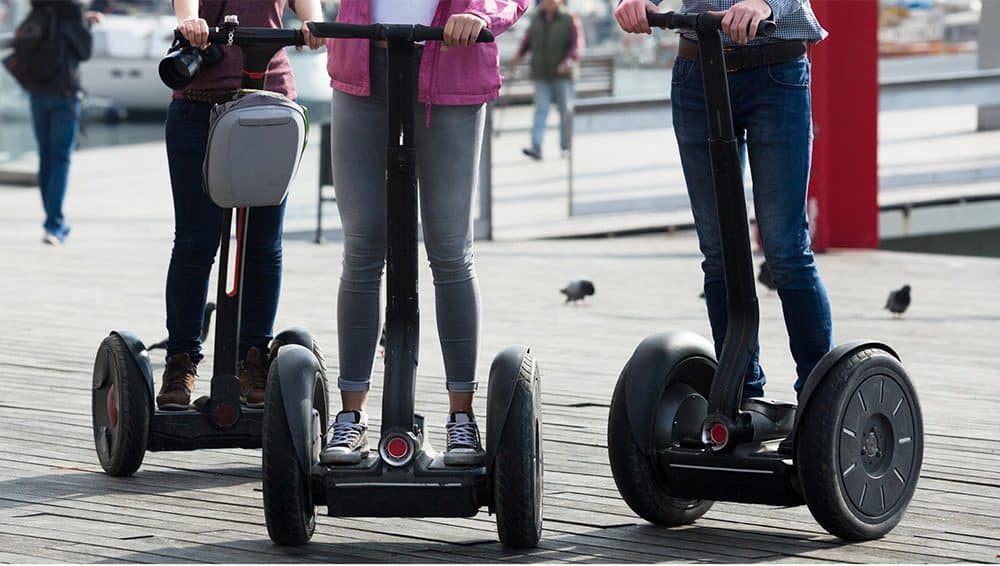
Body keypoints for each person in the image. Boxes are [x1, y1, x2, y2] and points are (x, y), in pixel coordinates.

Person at [320, 0, 529, 466]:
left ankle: (462, 418)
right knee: (361, 248)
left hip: (451, 62)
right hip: (361, 60)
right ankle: (351, 417)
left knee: (450, 250)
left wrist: (478, 12)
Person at [615, 0, 832, 398]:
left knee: (785, 250)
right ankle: (742, 395)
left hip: (776, 71)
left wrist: (764, 3)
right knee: (718, 252)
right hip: (698, 73)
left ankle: (821, 399)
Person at [155, 0, 324, 411]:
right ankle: (182, 359)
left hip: (269, 102)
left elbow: (309, 8)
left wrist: (312, 24)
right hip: (198, 104)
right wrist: (189, 22)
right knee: (196, 241)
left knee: (263, 244)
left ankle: (252, 357)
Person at [8, 1, 102, 245]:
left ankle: (52, 221)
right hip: (65, 94)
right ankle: (54, 225)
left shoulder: (38, 10)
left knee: (46, 158)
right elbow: (84, 52)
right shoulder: (72, 14)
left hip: (38, 93)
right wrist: (85, 23)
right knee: (61, 159)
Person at [509, 0, 583, 160]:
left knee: (565, 112)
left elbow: (577, 47)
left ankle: (566, 147)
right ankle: (536, 147)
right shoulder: (535, 18)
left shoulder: (570, 18)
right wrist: (518, 55)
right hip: (541, 74)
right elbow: (527, 41)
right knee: (540, 111)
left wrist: (568, 62)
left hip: (563, 75)